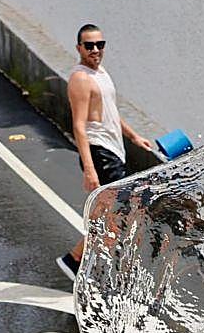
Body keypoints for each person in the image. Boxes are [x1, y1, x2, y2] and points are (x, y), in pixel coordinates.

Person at [58, 23, 157, 272]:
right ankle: (101, 266)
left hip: (113, 151)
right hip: (100, 153)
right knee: (122, 211)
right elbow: (79, 126)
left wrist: (134, 137)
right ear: (79, 48)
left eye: (99, 44)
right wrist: (89, 169)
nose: (95, 50)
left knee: (112, 213)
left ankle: (76, 261)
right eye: (89, 45)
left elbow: (111, 113)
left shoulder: (101, 73)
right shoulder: (81, 78)